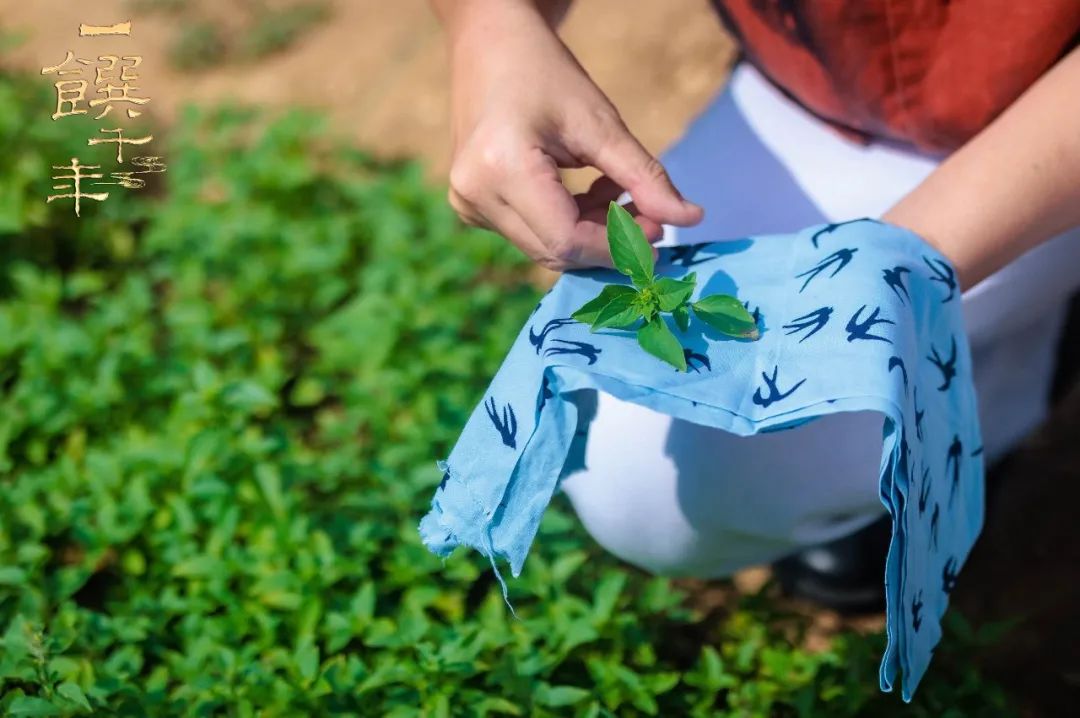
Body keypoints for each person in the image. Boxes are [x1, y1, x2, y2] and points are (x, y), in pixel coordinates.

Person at [429, 0, 1080, 610]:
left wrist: (883, 271)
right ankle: (975, 379)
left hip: (1046, 119)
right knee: (640, 477)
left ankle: (1022, 359)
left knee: (802, 378)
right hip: (817, 96)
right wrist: (494, 33)